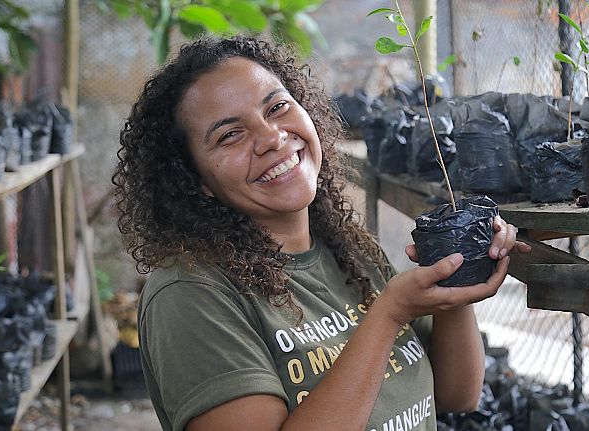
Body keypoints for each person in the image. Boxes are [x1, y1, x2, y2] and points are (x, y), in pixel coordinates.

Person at [113, 36, 530, 431]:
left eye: (276, 108)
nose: (272, 138)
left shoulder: (347, 249)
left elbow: (456, 396)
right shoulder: (190, 293)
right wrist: (388, 315)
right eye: (230, 135)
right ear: (194, 179)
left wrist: (456, 284)